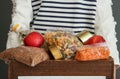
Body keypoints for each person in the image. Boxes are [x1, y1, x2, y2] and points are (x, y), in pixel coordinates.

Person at [7, 0, 119, 77]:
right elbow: (20, 20)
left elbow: (105, 25)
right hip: (39, 60)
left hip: (84, 61)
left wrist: (112, 61)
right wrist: (14, 58)